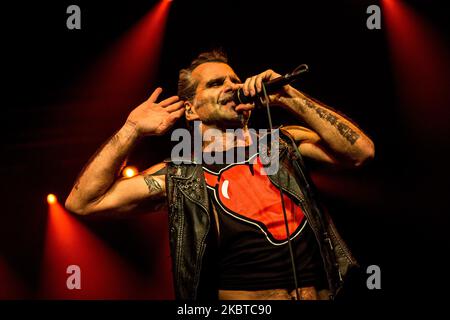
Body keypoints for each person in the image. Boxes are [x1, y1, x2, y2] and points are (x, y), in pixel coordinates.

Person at [65, 50, 374, 300]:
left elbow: (361, 153)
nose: (232, 86)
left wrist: (288, 97)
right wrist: (131, 130)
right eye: (215, 84)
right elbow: (84, 202)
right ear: (191, 110)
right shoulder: (180, 176)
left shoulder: (284, 145)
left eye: (234, 80)